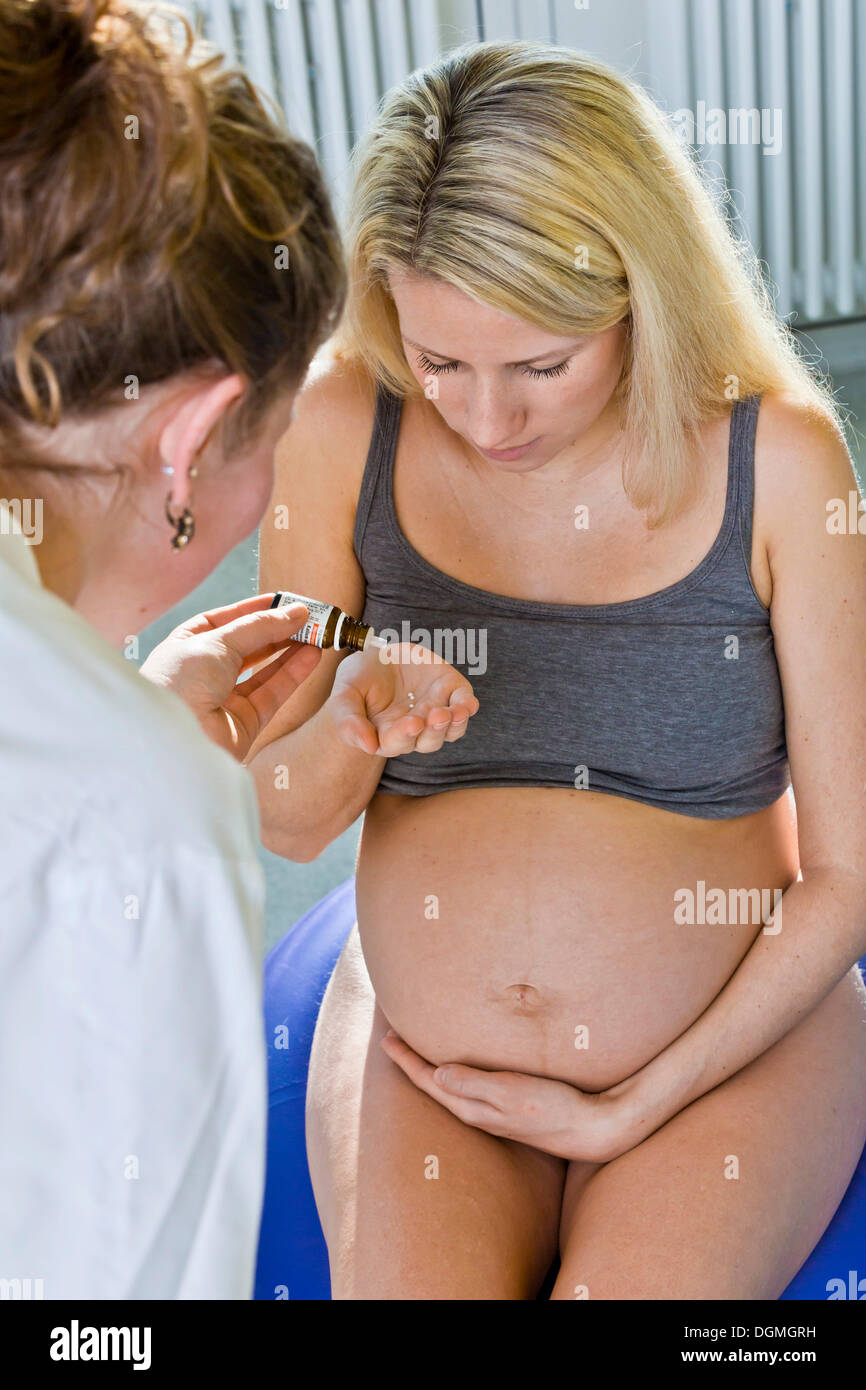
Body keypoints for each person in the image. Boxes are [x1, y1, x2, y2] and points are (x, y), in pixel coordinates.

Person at [249, 40, 866, 1298]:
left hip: (722, 1056)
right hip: (433, 1066)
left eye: (541, 364)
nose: (486, 419)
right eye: (441, 363)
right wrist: (348, 731)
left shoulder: (782, 461)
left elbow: (848, 873)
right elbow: (283, 817)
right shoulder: (341, 420)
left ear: (643, 294)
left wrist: (639, 1097)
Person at [0, 0, 476, 1299]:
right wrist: (147, 769)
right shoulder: (131, 809)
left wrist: (131, 720)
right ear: (192, 436)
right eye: (273, 439)